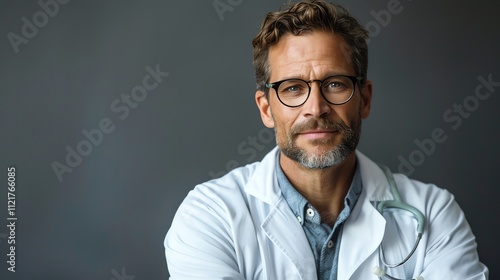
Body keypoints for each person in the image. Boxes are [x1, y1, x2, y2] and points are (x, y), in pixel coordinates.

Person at [164, 1, 489, 279]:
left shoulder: (432, 213)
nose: (316, 108)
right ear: (266, 110)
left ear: (364, 99)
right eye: (293, 88)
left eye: (334, 84)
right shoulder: (211, 216)